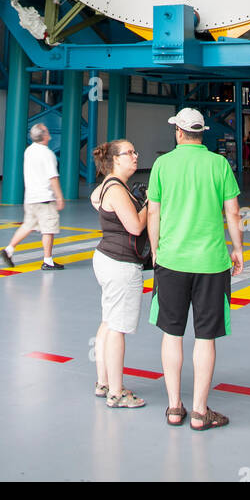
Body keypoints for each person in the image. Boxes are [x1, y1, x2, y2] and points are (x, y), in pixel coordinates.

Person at [147, 108, 244, 432]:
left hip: (172, 262)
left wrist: (157, 249)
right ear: (203, 133)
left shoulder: (162, 164)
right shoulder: (219, 165)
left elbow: (154, 213)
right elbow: (233, 213)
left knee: (171, 334)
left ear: (178, 132)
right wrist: (238, 249)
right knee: (206, 337)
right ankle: (201, 412)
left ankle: (175, 407)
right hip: (212, 264)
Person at [89, 139, 149, 409]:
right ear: (115, 160)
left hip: (106, 258)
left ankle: (103, 382)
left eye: (135, 151)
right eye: (129, 153)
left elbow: (94, 199)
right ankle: (117, 392)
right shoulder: (116, 190)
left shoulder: (109, 186)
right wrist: (150, 202)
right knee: (117, 329)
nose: (135, 156)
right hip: (120, 264)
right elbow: (135, 227)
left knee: (109, 322)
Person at [0, 123, 65, 270]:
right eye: (47, 130)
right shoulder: (47, 154)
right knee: (48, 229)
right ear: (44, 135)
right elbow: (52, 177)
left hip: (30, 197)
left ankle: (9, 249)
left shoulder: (29, 151)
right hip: (45, 198)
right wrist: (59, 197)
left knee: (28, 225)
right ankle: (48, 261)